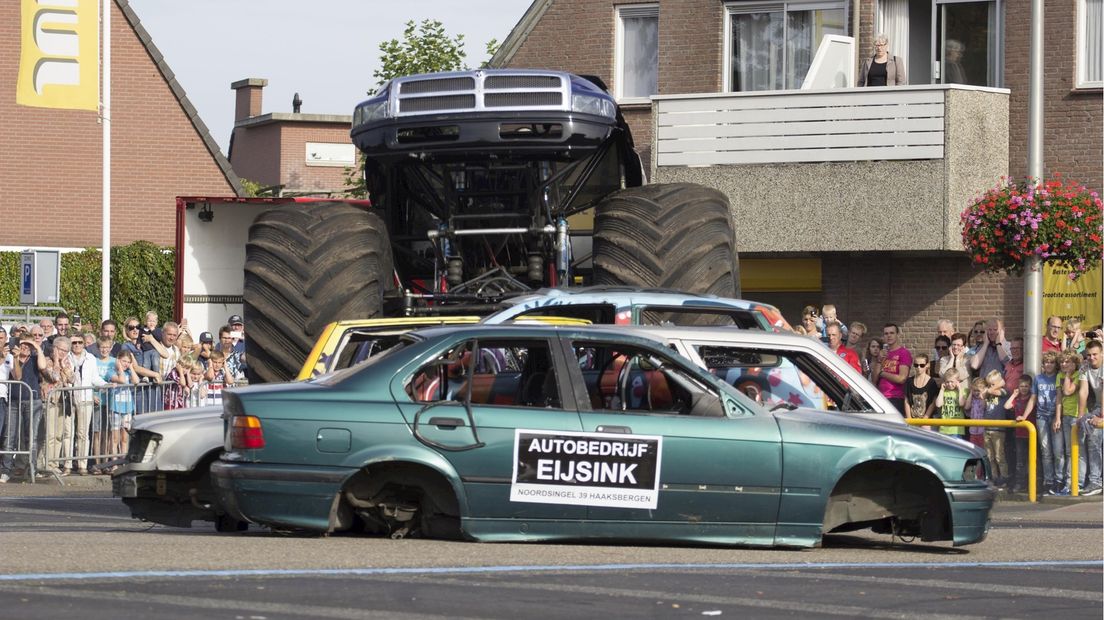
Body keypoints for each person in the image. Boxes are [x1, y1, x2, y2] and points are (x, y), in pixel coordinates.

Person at [67, 333, 105, 475]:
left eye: (79, 342)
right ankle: (68, 464)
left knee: (83, 434)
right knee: (69, 433)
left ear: (84, 344)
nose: (77, 345)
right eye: (74, 342)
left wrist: (106, 384)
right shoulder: (67, 357)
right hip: (70, 398)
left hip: (85, 398)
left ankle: (82, 464)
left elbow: (95, 378)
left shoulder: (91, 358)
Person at [1054, 351, 1083, 494]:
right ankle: (1064, 481)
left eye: (1068, 362)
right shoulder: (1059, 376)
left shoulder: (1077, 375)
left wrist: (1067, 376)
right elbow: (1059, 397)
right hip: (1065, 416)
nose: (1064, 364)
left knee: (1074, 452)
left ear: (1075, 363)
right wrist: (1058, 417)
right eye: (1062, 362)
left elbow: (1068, 391)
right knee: (1063, 451)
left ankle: (1073, 482)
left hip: (1076, 416)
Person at [1077, 340, 1103, 495]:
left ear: (1102, 354)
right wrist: (1080, 415)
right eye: (1089, 355)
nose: (1092, 358)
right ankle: (1095, 481)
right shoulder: (1084, 367)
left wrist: (1102, 418)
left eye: (1095, 354)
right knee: (1092, 433)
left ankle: (1096, 480)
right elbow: (1083, 391)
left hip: (1102, 407)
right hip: (1099, 406)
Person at [1034, 351, 1062, 494]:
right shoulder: (1038, 379)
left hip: (1055, 417)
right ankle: (1048, 480)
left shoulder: (1058, 377)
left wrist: (1058, 417)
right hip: (1041, 417)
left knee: (1058, 451)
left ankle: (1059, 479)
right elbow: (1034, 397)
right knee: (1045, 451)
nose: (1049, 365)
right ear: (1043, 364)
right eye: (1046, 362)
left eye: (1051, 362)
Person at [1005, 375, 1036, 493]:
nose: (1024, 388)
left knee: (1032, 460)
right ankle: (1020, 483)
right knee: (1020, 461)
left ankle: (1033, 483)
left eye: (1026, 386)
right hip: (1019, 435)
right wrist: (1014, 394)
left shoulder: (1032, 399)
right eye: (1021, 386)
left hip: (1031, 434)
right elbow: (1006, 406)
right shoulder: (1016, 399)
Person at [109, 351, 141, 464]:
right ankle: (114, 462)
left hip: (127, 408)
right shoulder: (112, 371)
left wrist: (131, 368)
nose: (126, 364)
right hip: (115, 408)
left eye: (128, 362)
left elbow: (136, 381)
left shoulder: (128, 372)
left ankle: (123, 461)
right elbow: (121, 380)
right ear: (118, 360)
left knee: (124, 438)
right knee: (115, 438)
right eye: (124, 361)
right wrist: (119, 367)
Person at [980, 370, 1009, 487]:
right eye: (989, 384)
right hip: (987, 428)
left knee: (999, 456)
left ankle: (1004, 478)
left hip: (998, 429)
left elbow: (996, 390)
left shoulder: (1002, 391)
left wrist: (996, 385)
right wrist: (984, 396)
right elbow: (983, 406)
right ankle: (994, 477)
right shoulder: (988, 394)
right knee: (990, 456)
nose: (990, 386)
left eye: (993, 384)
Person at [875, 324, 911, 414]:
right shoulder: (882, 353)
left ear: (897, 335)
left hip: (895, 397)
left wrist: (882, 373)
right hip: (880, 397)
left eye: (892, 333)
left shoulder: (904, 353)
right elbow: (874, 380)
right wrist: (879, 360)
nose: (889, 335)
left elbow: (902, 378)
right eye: (886, 333)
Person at [904, 353, 940, 423]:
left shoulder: (931, 382)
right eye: (916, 365)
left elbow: (933, 403)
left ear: (927, 365)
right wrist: (909, 419)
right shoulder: (909, 381)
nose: (918, 368)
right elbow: (906, 401)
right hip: (912, 419)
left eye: (922, 365)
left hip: (927, 420)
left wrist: (925, 418)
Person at [936, 369, 967, 441]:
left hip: (956, 429)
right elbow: (938, 404)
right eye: (947, 382)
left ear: (957, 381)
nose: (949, 384)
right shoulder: (944, 392)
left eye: (952, 382)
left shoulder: (963, 391)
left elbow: (961, 403)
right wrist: (941, 390)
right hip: (944, 429)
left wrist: (959, 389)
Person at [963, 378, 988, 449]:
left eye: (978, 391)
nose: (976, 393)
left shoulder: (985, 399)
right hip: (973, 431)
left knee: (983, 449)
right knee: (974, 449)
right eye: (975, 390)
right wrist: (971, 393)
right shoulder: (972, 399)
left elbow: (983, 406)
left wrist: (983, 396)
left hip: (983, 431)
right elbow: (967, 407)